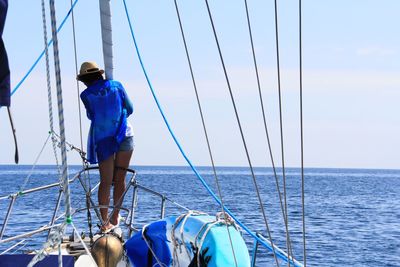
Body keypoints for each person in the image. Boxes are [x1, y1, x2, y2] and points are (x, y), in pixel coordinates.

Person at [77, 61, 134, 232]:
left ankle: (105, 221)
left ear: (85, 80)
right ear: (100, 74)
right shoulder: (117, 86)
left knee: (105, 181)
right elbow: (130, 108)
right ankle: (115, 216)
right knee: (120, 178)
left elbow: (91, 115)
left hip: (102, 139)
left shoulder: (86, 95)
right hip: (125, 133)